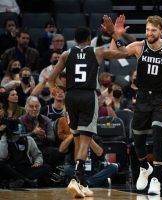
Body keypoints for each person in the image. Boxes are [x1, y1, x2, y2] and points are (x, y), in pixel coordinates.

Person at [103, 14, 162, 195]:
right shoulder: (139, 46)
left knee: (157, 134)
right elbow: (116, 54)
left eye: (153, 30)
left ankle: (155, 177)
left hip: (161, 100)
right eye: (147, 29)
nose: (149, 33)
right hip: (143, 99)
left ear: (161, 31)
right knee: (137, 140)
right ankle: (144, 167)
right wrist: (116, 35)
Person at [48, 26, 128, 198]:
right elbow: (123, 53)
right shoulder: (97, 51)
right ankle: (77, 178)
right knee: (86, 140)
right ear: (89, 38)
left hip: (71, 97)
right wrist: (115, 34)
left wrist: (54, 89)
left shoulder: (66, 54)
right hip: (88, 96)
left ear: (75, 40)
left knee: (77, 139)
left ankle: (82, 183)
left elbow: (50, 78)